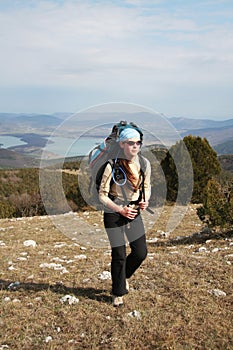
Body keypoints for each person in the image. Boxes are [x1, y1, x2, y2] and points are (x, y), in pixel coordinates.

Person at [98, 127, 151, 307]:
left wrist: (145, 200)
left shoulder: (144, 164)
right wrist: (120, 210)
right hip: (114, 213)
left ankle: (123, 277)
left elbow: (147, 185)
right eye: (131, 143)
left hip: (134, 211)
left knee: (140, 252)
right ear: (122, 144)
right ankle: (117, 292)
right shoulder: (112, 165)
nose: (135, 146)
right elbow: (102, 195)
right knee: (119, 254)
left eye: (138, 143)